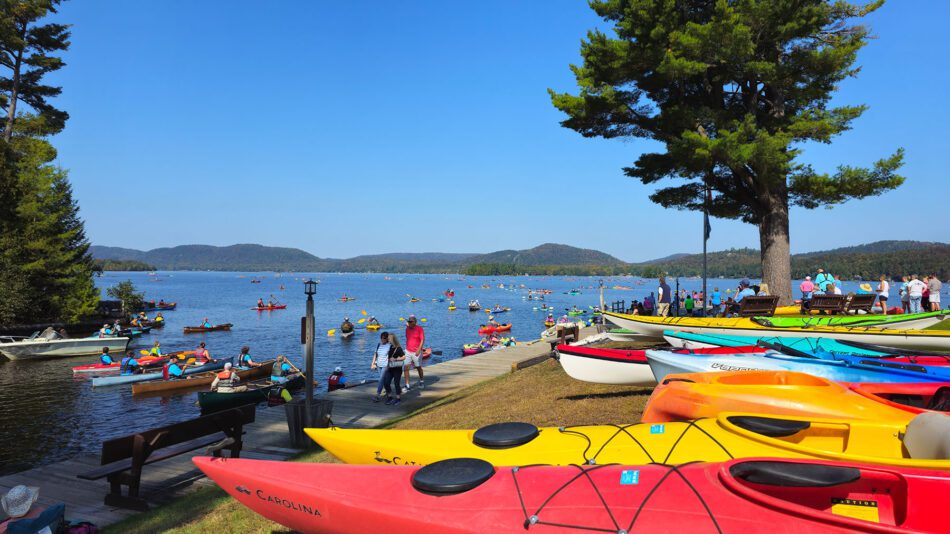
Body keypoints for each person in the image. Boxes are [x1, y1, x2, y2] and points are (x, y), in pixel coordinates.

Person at [382, 333, 406, 405]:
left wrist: (396, 359)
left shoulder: (398, 348)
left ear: (392, 340)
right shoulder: (387, 347)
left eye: (389, 339)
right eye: (387, 339)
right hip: (390, 368)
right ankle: (390, 397)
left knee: (396, 383)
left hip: (397, 368)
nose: (387, 340)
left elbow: (404, 357)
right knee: (386, 383)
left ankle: (398, 398)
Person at [403, 315, 425, 391]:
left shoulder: (420, 329)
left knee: (418, 367)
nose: (409, 323)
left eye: (411, 321)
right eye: (409, 321)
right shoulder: (407, 329)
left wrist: (419, 349)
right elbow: (407, 338)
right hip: (408, 351)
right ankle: (407, 385)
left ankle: (422, 380)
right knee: (405, 368)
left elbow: (422, 340)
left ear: (415, 322)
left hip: (417, 351)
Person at [371, 331, 392, 402]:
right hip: (378, 365)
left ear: (387, 339)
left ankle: (378, 395)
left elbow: (390, 356)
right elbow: (375, 354)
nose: (382, 339)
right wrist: (373, 363)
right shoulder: (378, 345)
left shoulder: (390, 345)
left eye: (384, 338)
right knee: (384, 380)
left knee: (381, 380)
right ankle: (389, 392)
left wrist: (388, 365)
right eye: (381, 338)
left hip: (385, 365)